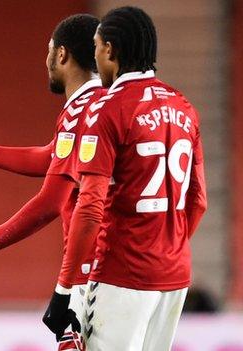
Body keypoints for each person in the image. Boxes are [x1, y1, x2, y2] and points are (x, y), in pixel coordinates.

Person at [0, 14, 102, 350]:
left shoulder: (81, 109)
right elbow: (48, 159)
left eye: (48, 50)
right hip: (122, 271)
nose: (46, 61)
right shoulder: (102, 104)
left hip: (94, 275)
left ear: (61, 55)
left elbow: (49, 203)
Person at [57, 6, 207, 350]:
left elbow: (90, 205)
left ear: (110, 49)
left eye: (96, 46)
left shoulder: (108, 108)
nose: (94, 56)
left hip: (121, 272)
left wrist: (64, 287)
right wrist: (165, 245)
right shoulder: (183, 106)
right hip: (174, 276)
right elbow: (198, 201)